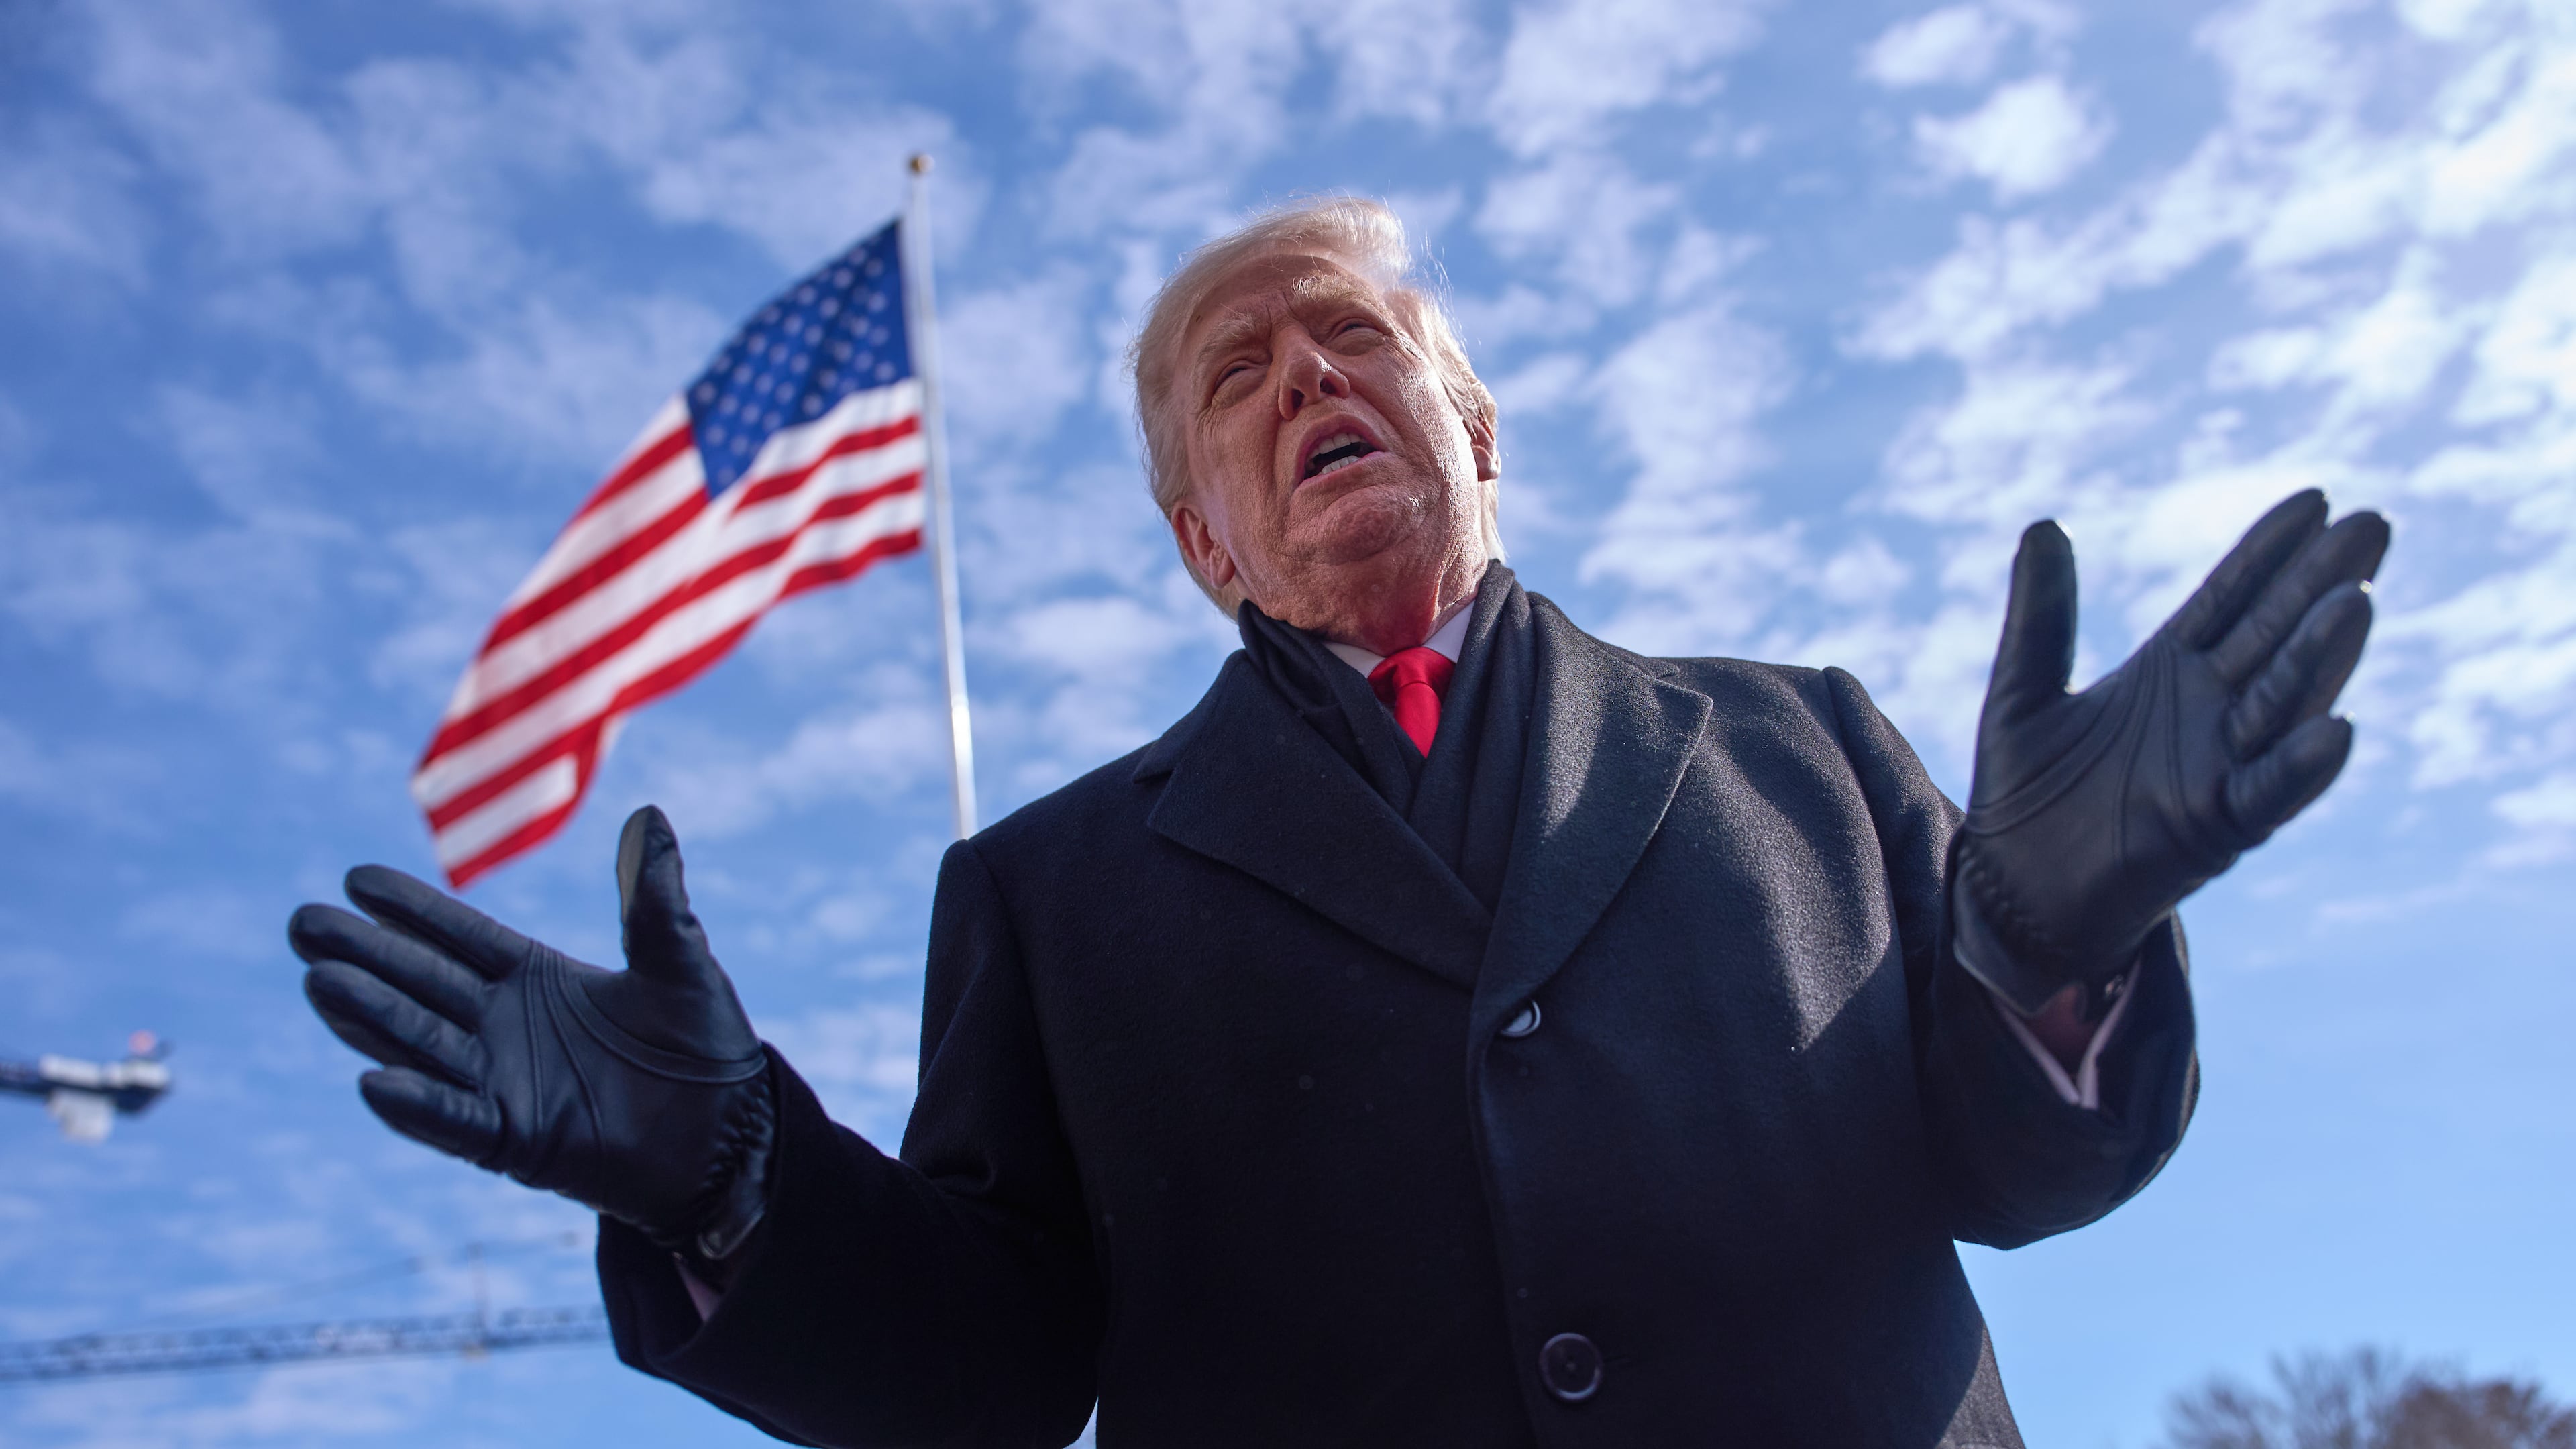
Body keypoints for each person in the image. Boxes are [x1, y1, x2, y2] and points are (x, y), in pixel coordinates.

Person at [288, 197, 2388, 1448]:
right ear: (1204, 540)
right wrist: (737, 1184)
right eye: (1240, 372)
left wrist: (2043, 954)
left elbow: (2016, 1174)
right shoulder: (1043, 894)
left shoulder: (1806, 747)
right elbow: (996, 1381)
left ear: (1470, 427)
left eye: (1352, 334)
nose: (1306, 375)